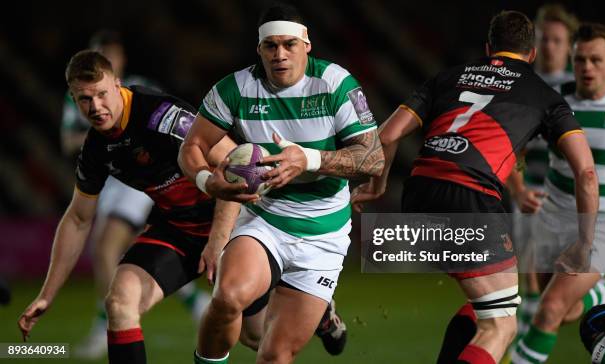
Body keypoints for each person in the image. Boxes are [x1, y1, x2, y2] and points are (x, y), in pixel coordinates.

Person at [351, 10, 598, 364]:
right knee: (501, 326)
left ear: (488, 49)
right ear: (531, 55)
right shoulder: (544, 95)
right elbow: (586, 174)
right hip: (470, 198)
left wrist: (378, 185)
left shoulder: (448, 77)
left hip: (418, 194)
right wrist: (585, 243)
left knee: (492, 304)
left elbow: (387, 135)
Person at [178, 4, 383, 363]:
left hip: (324, 235)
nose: (280, 55)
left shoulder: (334, 84)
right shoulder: (236, 88)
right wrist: (208, 182)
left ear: (307, 45)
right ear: (259, 50)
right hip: (266, 220)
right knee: (227, 298)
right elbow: (192, 146)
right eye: (270, 46)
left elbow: (373, 158)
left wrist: (310, 158)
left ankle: (322, 311)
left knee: (274, 354)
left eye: (289, 44)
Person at [18, 50, 238, 364]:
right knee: (120, 302)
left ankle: (315, 310)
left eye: (101, 94)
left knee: (253, 333)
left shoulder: (162, 116)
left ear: (118, 84)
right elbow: (79, 219)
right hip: (179, 230)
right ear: (72, 98)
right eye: (84, 99)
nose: (95, 107)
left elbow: (234, 166)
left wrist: (219, 240)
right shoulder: (96, 147)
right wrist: (47, 294)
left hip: (232, 223)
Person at [60, 30, 210, 359]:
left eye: (111, 57)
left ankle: (105, 324)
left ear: (118, 67)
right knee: (123, 251)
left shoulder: (141, 87)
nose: (94, 103)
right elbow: (69, 142)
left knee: (106, 247)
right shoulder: (80, 100)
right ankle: (191, 300)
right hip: (110, 173)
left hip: (145, 172)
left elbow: (167, 127)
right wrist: (99, 131)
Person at [510, 23, 605, 364]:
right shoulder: (554, 106)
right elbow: (510, 149)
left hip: (600, 226)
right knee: (559, 308)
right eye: (581, 60)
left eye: (596, 60)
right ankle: (604, 292)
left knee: (550, 309)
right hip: (552, 219)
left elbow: (587, 174)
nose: (587, 68)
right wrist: (520, 188)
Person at [507, 4, 579, 338]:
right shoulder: (521, 85)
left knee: (568, 296)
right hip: (533, 194)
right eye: (543, 39)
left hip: (574, 200)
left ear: (569, 46)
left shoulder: (583, 88)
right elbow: (505, 147)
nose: (549, 45)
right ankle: (522, 352)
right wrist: (518, 190)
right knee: (531, 281)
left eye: (556, 39)